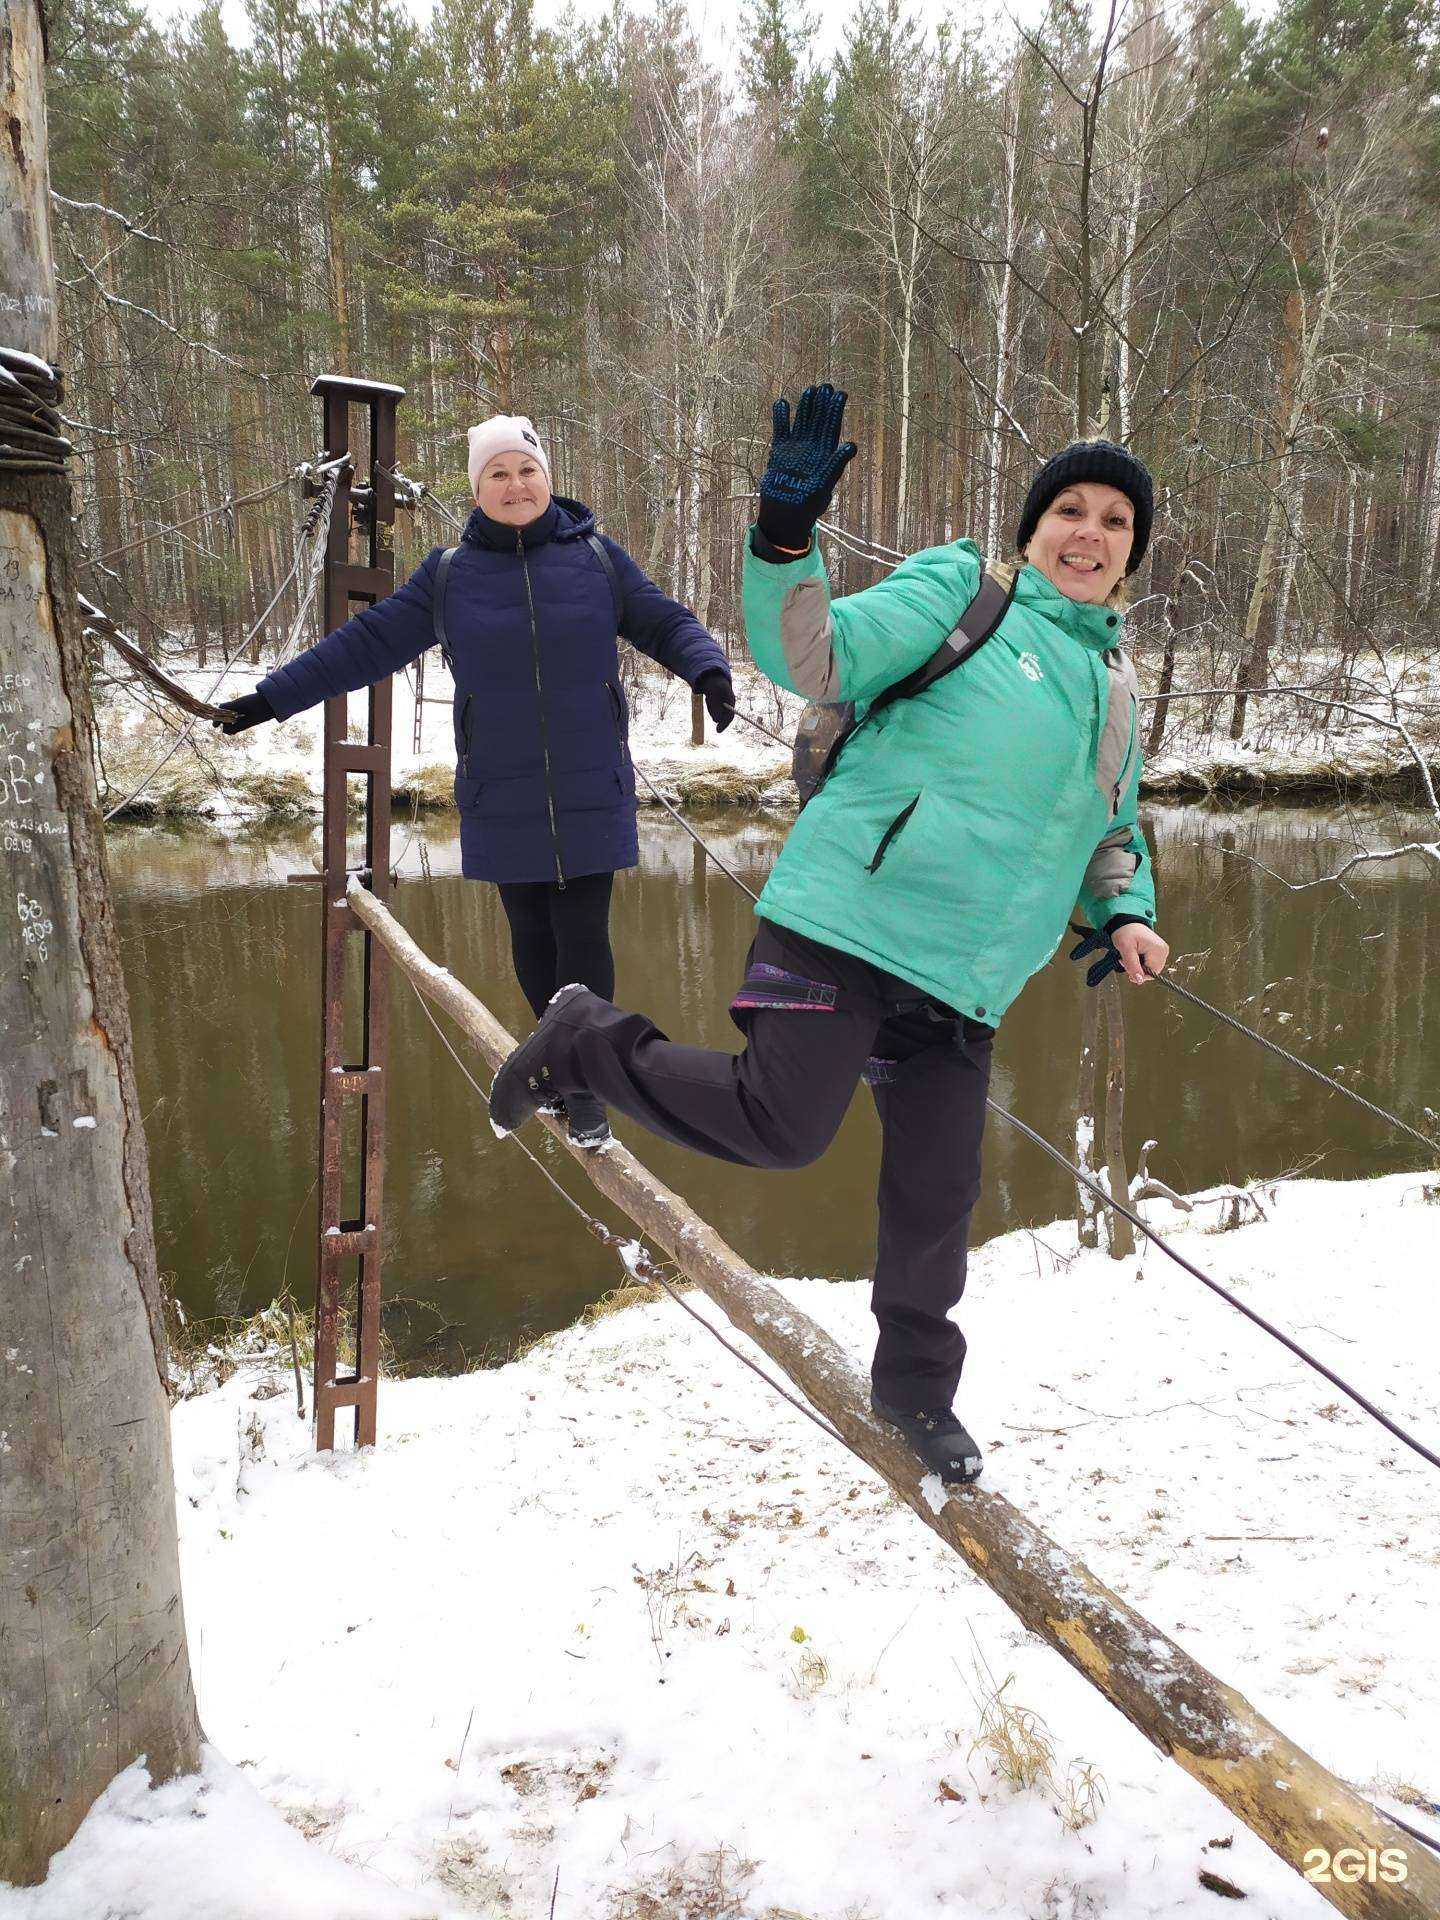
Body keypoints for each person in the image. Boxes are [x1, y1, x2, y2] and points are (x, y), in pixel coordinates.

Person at [490, 384, 1170, 1483]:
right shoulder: (964, 598)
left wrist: (1124, 910)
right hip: (849, 919)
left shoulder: (1116, 687)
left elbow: (1111, 823)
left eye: (1115, 522)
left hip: (967, 981)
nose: (1089, 535)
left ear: (1132, 553)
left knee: (938, 1198)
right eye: (1071, 512)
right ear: (1033, 527)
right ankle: (582, 1041)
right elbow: (816, 655)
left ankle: (913, 1395)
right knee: (780, 1125)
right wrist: (784, 537)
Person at [214, 414, 734, 1146]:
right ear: (477, 488)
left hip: (590, 783)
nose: (515, 484)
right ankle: (561, 1066)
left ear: (547, 478)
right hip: (501, 787)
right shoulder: (449, 576)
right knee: (532, 939)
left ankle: (584, 1088)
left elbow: (663, 620)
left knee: (584, 935)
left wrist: (707, 669)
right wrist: (271, 699)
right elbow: (366, 645)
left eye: (527, 470)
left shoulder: (598, 561)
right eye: (498, 473)